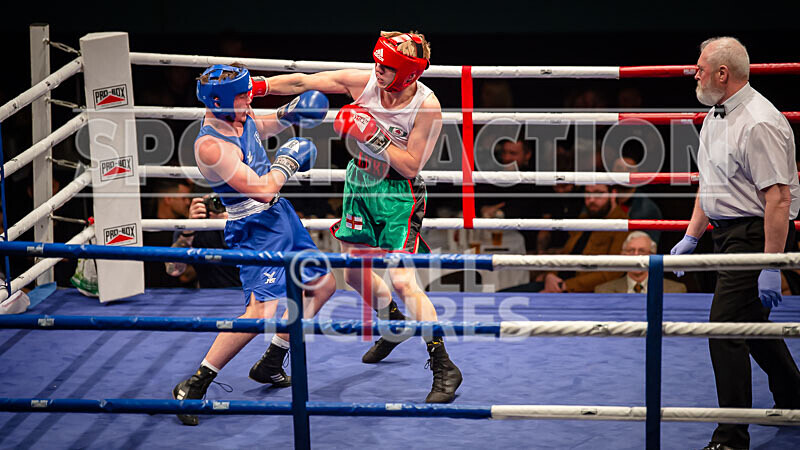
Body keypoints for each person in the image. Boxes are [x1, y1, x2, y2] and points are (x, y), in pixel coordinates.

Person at [264, 31, 461, 403]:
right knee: (354, 273)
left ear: (408, 73)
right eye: (377, 63)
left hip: (399, 195)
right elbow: (303, 82)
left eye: (387, 67)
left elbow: (411, 165)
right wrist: (257, 87)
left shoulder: (426, 106)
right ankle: (393, 323)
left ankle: (443, 365)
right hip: (359, 183)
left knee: (402, 281)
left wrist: (373, 134)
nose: (378, 70)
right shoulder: (366, 81)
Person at [172, 64, 337, 426]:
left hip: (281, 217)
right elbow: (262, 191)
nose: (250, 99)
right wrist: (287, 162)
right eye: (243, 96)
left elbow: (262, 126)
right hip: (254, 227)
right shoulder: (211, 146)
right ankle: (195, 383)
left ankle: (272, 360)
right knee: (260, 313)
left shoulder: (239, 115)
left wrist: (290, 112)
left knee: (322, 284)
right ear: (220, 102)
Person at [670, 37, 800, 450]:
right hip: (727, 234)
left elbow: (778, 198)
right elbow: (711, 184)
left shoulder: (759, 122)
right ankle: (794, 396)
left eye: (701, 67)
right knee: (751, 324)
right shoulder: (715, 115)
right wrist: (692, 235)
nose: (695, 73)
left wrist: (771, 263)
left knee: (724, 329)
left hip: (757, 234)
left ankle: (731, 437)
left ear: (722, 73)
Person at [542, 184, 628, 293]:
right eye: (588, 193)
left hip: (584, 292)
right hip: (558, 284)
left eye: (598, 193)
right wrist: (550, 275)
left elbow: (612, 272)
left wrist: (565, 286)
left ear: (613, 194)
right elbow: (566, 252)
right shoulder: (584, 218)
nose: (591, 199)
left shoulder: (621, 225)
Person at [165, 195, 241, 289]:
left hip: (248, 293)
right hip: (208, 293)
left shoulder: (246, 224)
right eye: (214, 201)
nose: (219, 205)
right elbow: (172, 270)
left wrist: (234, 225)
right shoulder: (192, 228)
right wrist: (189, 231)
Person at [594, 231, 686, 293]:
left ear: (653, 256)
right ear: (623, 255)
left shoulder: (675, 290)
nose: (636, 255)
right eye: (631, 251)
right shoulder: (603, 291)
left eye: (642, 251)